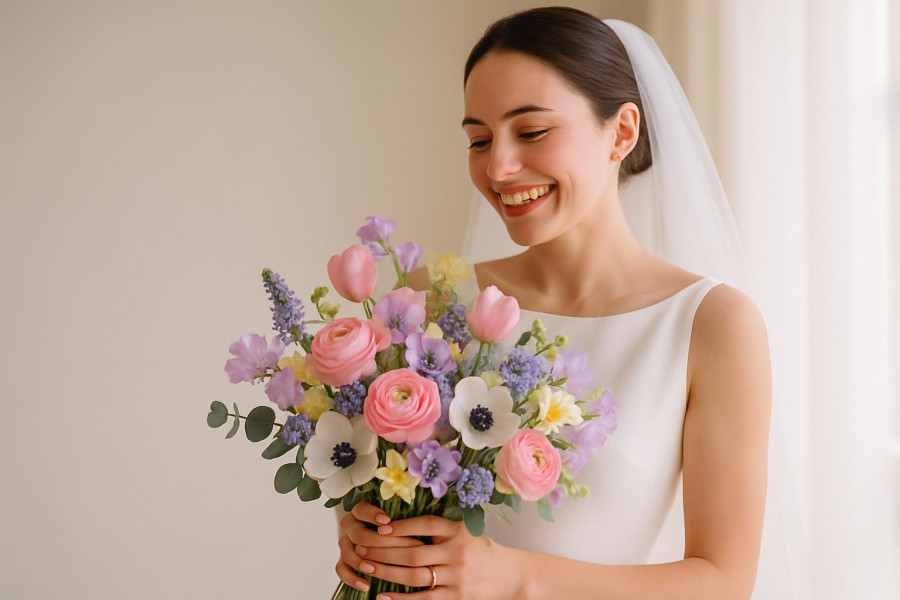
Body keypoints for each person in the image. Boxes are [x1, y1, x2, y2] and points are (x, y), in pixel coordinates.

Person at [335, 7, 774, 599]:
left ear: (621, 132)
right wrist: (365, 532)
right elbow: (388, 489)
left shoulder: (711, 325)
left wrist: (512, 577)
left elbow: (723, 583)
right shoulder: (431, 299)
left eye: (533, 131)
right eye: (479, 140)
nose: (498, 167)